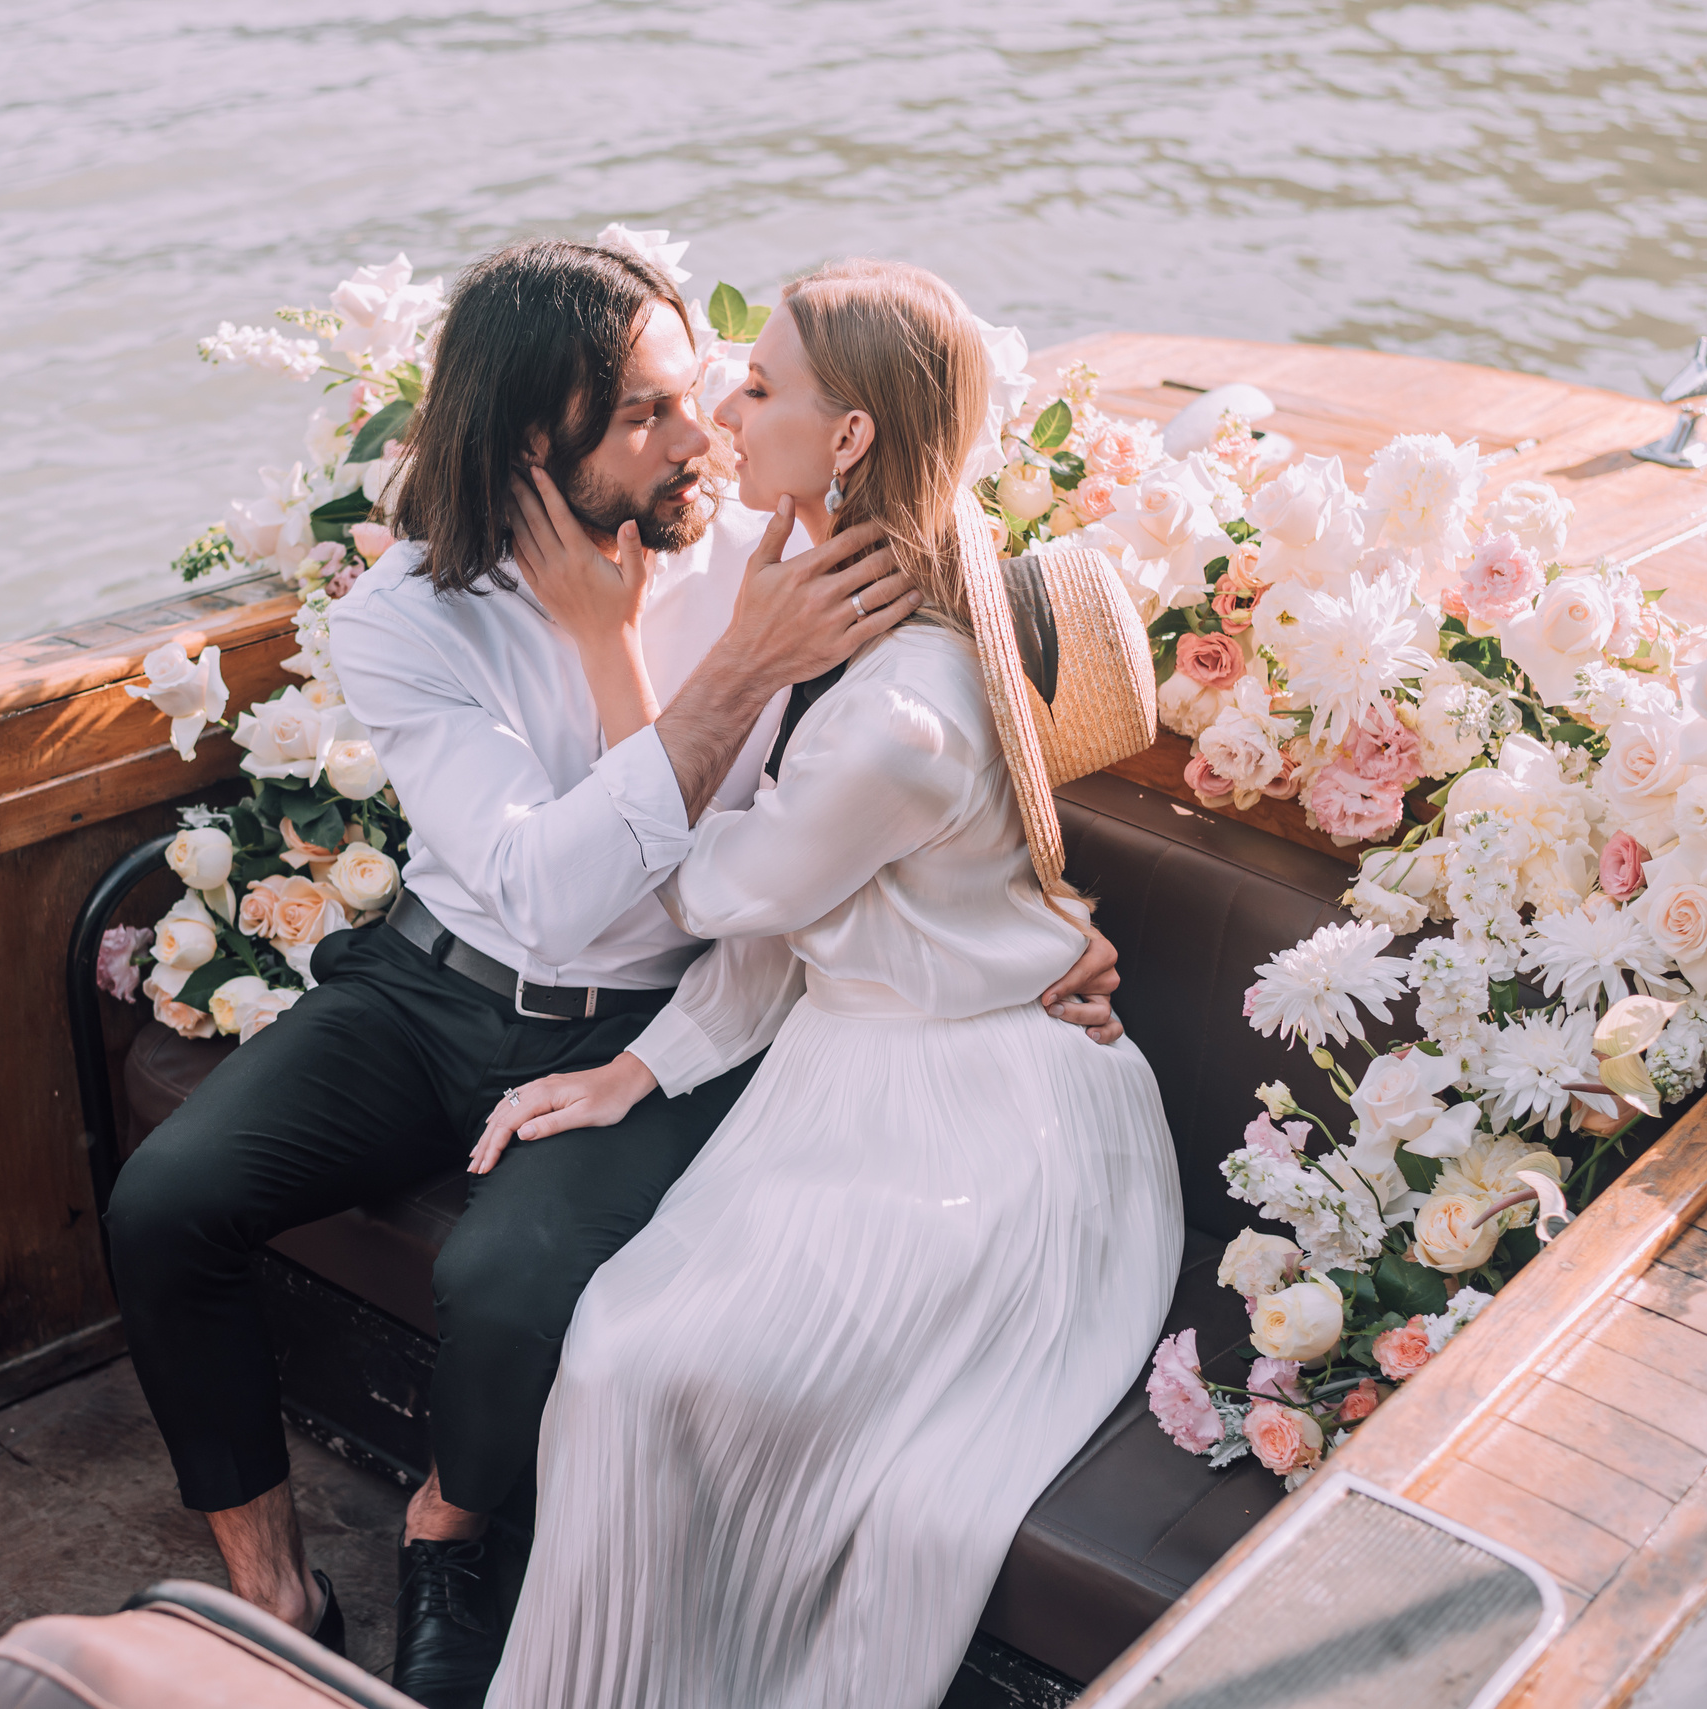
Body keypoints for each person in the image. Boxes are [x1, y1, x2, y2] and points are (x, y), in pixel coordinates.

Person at [103, 238, 1130, 1709]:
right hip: (436, 982)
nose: (702, 429)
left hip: (666, 1012)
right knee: (167, 1201)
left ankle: (448, 1529)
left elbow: (952, 735)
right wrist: (657, 665)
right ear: (539, 441)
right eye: (650, 410)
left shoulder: (760, 548)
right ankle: (272, 1582)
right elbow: (536, 882)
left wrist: (1048, 922)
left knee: (506, 1280)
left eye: (701, 388)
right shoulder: (406, 613)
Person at [470, 258, 1187, 1709]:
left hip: (984, 1129)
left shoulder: (903, 712)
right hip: (847, 1073)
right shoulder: (828, 593)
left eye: (763, 383)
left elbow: (722, 887)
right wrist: (637, 1069)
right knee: (624, 1352)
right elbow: (787, 928)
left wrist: (622, 670)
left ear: (849, 439)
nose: (731, 403)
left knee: (637, 1357)